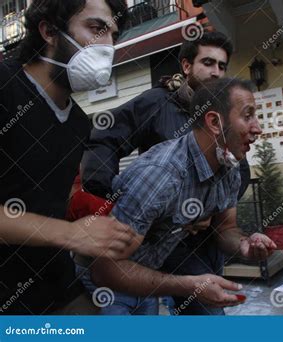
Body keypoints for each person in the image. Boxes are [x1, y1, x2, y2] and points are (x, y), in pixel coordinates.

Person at [80, 31, 251, 315]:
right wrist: (113, 198)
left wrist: (211, 207)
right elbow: (105, 140)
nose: (215, 72)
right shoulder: (156, 104)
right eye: (208, 62)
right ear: (186, 66)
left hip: (204, 241)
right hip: (155, 241)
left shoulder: (225, 114)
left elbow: (237, 168)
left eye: (222, 66)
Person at [0, 0, 139, 315]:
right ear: (49, 31)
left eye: (113, 35)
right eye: (96, 29)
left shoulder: (78, 123)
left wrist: (104, 229)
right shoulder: (5, 87)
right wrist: (73, 234)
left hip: (52, 280)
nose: (107, 47)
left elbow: (55, 203)